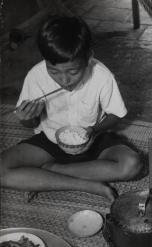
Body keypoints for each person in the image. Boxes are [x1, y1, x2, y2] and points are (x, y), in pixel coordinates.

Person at [0, 16, 143, 201]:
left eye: (73, 72)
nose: (64, 80)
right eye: (54, 72)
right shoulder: (35, 75)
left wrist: (93, 130)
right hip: (51, 141)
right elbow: (30, 124)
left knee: (132, 164)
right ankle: (87, 184)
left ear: (88, 57)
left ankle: (52, 171)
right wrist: (26, 117)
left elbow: (116, 114)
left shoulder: (102, 75)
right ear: (45, 61)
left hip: (93, 139)